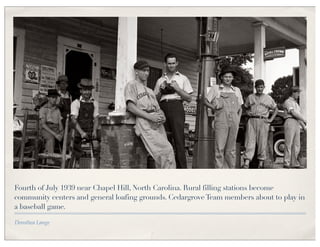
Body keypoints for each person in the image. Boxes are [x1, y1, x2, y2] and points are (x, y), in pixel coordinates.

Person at [125, 60, 176, 169]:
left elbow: (158, 109)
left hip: (157, 123)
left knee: (160, 157)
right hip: (145, 122)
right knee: (166, 150)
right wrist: (150, 116)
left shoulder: (150, 90)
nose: (147, 73)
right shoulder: (131, 85)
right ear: (136, 72)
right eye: (144, 71)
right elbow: (130, 107)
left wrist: (163, 116)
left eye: (148, 71)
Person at [154, 53, 193, 169]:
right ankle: (167, 167)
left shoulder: (183, 78)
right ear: (165, 64)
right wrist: (161, 90)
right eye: (169, 63)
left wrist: (177, 89)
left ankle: (181, 169)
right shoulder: (160, 80)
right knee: (164, 139)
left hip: (177, 107)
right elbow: (155, 100)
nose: (171, 65)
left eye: (173, 63)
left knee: (179, 139)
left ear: (177, 63)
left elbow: (189, 98)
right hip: (163, 107)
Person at [205, 66, 243, 169]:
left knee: (231, 149)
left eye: (230, 77)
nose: (228, 79)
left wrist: (238, 119)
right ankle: (219, 170)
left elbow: (240, 107)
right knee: (219, 147)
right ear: (221, 77)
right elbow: (205, 101)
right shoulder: (216, 88)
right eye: (225, 77)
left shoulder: (236, 90)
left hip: (234, 121)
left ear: (232, 78)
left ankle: (231, 170)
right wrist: (214, 107)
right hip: (221, 121)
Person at [242, 79, 278, 169]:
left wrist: (270, 119)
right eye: (258, 87)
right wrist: (247, 113)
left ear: (264, 87)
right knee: (249, 141)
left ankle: (261, 163)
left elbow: (276, 109)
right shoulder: (250, 97)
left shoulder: (268, 98)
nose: (260, 89)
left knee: (262, 142)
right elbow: (245, 107)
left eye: (261, 87)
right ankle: (246, 162)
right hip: (252, 120)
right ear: (255, 88)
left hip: (263, 121)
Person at [70, 78, 99, 162]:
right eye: (85, 90)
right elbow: (73, 120)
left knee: (99, 146)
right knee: (81, 152)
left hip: (90, 131)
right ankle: (80, 165)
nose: (87, 92)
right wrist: (81, 132)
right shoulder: (76, 103)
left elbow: (96, 118)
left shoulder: (95, 103)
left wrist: (94, 131)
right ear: (81, 91)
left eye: (89, 90)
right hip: (78, 132)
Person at [283, 86, 306, 168]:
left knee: (296, 144)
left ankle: (294, 163)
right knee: (289, 143)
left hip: (296, 122)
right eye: (297, 93)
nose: (298, 95)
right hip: (290, 121)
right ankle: (286, 162)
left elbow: (298, 117)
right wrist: (304, 120)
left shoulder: (296, 104)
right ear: (293, 93)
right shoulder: (288, 102)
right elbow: (293, 113)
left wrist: (304, 126)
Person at [39, 89, 64, 161]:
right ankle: (49, 161)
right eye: (53, 97)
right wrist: (56, 135)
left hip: (56, 128)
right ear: (48, 98)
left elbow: (60, 123)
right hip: (46, 129)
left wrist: (61, 133)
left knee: (67, 137)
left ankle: (64, 161)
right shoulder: (43, 109)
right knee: (51, 138)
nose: (54, 99)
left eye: (56, 97)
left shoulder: (57, 109)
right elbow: (43, 125)